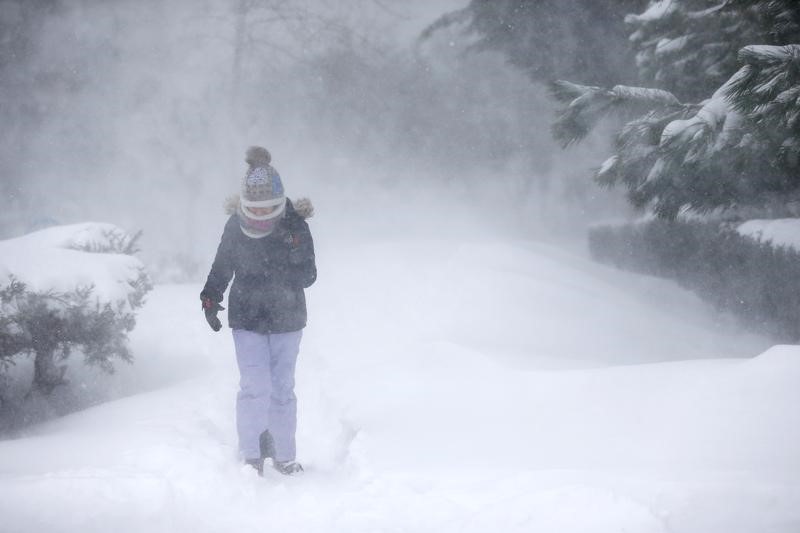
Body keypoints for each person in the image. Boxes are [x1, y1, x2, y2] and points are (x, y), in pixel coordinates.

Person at [200, 146, 316, 476]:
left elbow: (309, 275)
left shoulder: (296, 226)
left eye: (268, 209)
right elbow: (222, 266)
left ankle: (283, 455)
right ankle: (251, 455)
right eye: (256, 209)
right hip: (247, 316)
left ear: (279, 203)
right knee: (254, 385)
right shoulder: (235, 226)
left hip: (288, 318)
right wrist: (210, 297)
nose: (262, 216)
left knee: (282, 387)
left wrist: (288, 261)